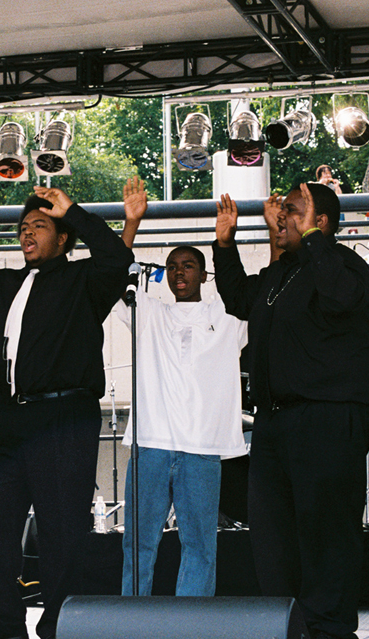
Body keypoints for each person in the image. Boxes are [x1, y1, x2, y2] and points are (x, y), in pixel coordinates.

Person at [0, 186, 133, 639]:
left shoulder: (84, 281)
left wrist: (73, 212)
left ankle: (59, 625)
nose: (27, 233)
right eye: (23, 227)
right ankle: (0, 625)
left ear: (62, 238)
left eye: (39, 226)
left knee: (62, 529)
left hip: (63, 414)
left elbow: (117, 260)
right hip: (2, 415)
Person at [212, 183, 369, 639]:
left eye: (292, 210)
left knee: (326, 532)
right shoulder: (282, 274)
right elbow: (239, 299)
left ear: (319, 221)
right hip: (276, 420)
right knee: (273, 533)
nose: (280, 216)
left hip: (329, 415)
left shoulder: (344, 265)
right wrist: (225, 245)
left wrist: (312, 241)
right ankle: (288, 625)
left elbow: (340, 298)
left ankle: (329, 630)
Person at [116, 177, 248, 597]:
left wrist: (227, 240)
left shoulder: (228, 315)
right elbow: (111, 277)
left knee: (200, 545)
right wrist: (131, 224)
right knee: (139, 542)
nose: (178, 272)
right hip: (151, 444)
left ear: (204, 274)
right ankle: (133, 620)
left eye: (188, 265)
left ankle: (191, 621)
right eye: (172, 266)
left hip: (202, 449)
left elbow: (250, 289)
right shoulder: (148, 312)